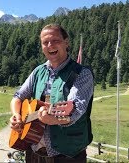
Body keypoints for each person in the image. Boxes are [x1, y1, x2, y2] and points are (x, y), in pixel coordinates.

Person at [9, 24, 94, 163]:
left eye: (55, 40)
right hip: (34, 151)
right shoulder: (38, 71)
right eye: (45, 42)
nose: (50, 45)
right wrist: (16, 115)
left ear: (66, 42)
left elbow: (75, 110)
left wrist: (53, 119)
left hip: (67, 155)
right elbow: (18, 97)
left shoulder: (82, 73)